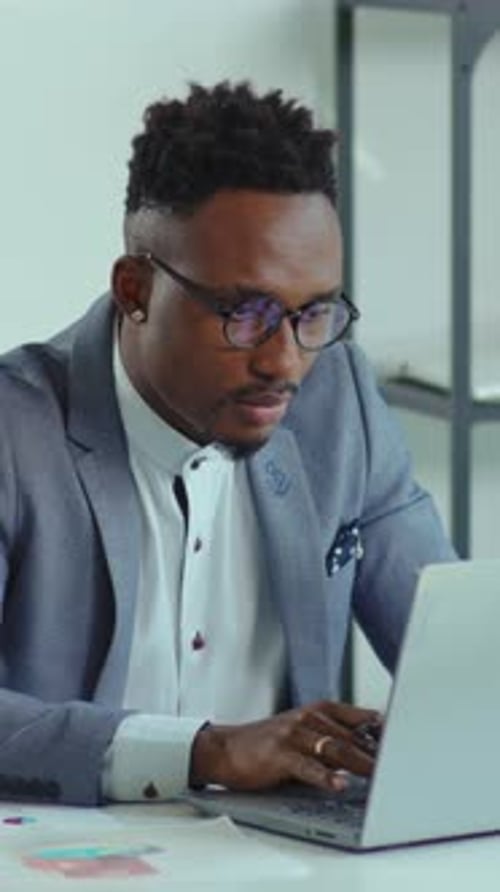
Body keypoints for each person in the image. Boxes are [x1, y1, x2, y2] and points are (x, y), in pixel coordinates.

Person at [0, 81, 455, 807]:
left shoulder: (338, 402)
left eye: (314, 313)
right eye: (246, 313)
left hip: (284, 857)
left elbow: (455, 661)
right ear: (134, 290)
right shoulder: (16, 432)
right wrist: (208, 750)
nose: (285, 360)